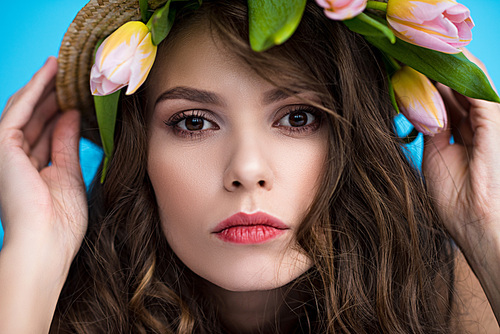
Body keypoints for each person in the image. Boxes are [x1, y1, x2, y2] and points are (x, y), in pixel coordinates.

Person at [0, 0, 499, 333]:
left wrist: (486, 229)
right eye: (193, 122)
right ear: (138, 152)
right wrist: (35, 259)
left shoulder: (455, 303)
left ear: (356, 138)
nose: (247, 169)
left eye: (298, 117)